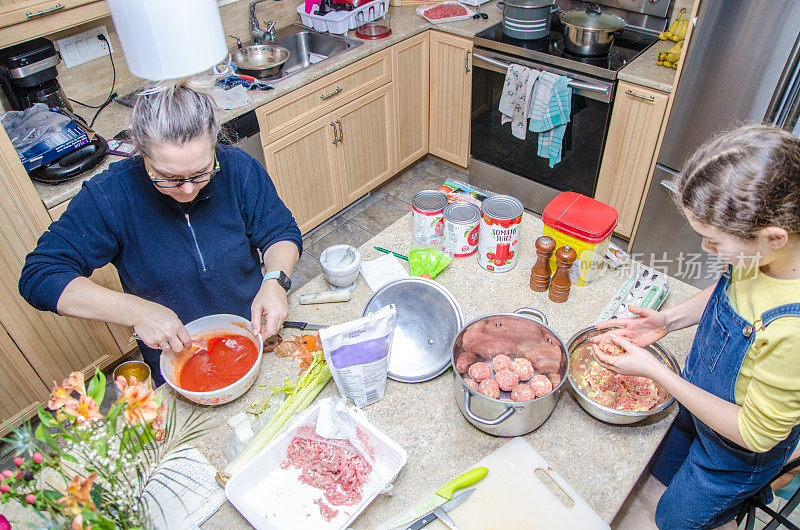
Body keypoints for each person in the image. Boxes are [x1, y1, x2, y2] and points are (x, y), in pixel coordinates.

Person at [19, 80, 302, 386]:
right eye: (168, 177)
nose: (188, 189)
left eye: (201, 172)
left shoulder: (238, 168)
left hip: (256, 333)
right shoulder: (110, 198)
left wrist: (275, 281)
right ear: (141, 153)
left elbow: (280, 232)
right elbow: (40, 276)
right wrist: (137, 312)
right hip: (175, 356)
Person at [594, 124, 800, 529]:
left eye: (713, 241)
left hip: (738, 448)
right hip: (695, 398)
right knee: (653, 469)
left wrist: (656, 371)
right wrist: (667, 320)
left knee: (672, 519)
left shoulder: (792, 329)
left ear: (773, 237)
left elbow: (755, 434)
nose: (705, 250)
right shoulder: (763, 257)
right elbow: (728, 292)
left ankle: (758, 483)